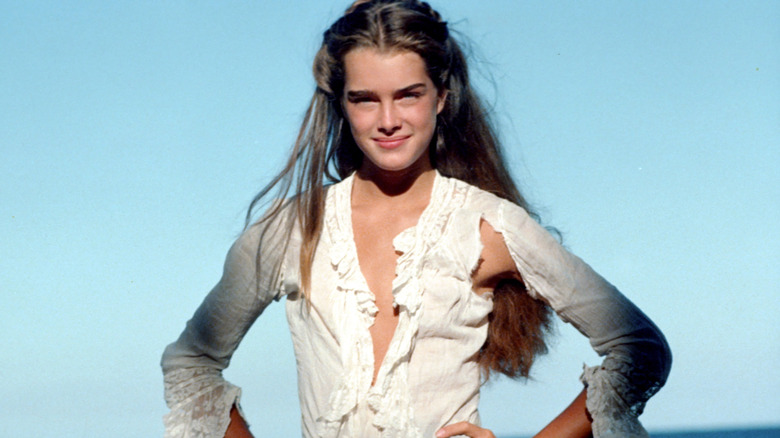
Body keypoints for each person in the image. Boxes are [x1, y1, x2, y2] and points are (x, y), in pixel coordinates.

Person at [161, 1, 672, 437]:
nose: (388, 120)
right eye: (365, 99)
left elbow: (640, 348)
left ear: (442, 97)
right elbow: (192, 362)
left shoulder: (488, 225)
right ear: (341, 106)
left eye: (409, 94)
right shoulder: (294, 228)